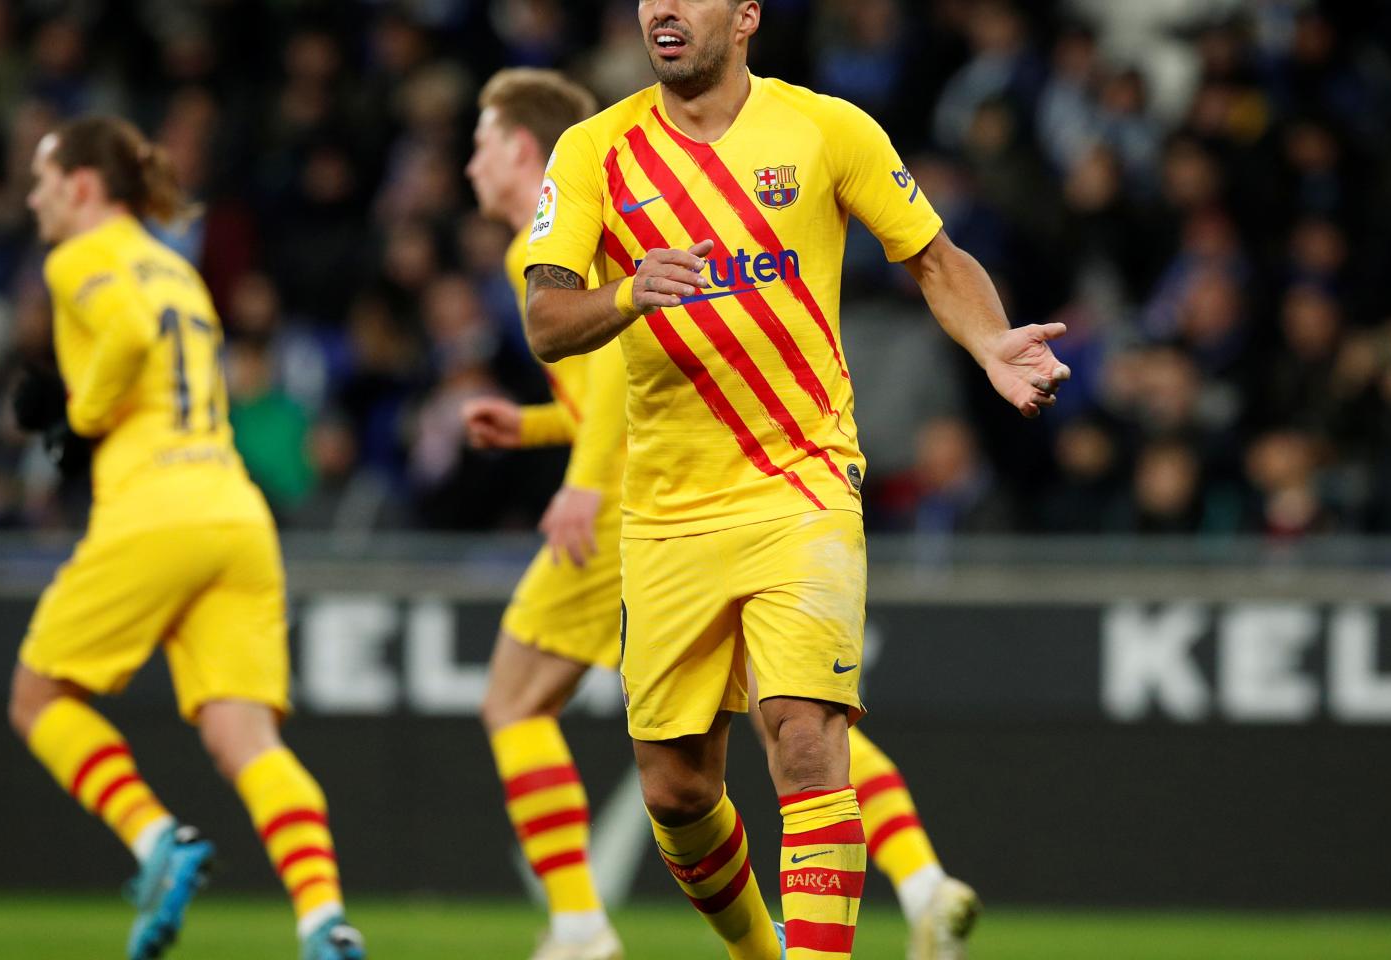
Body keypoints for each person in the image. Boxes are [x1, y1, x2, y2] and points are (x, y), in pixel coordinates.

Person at [522, 2, 1070, 958]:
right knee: (676, 790)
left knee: (805, 741)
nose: (661, 8)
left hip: (802, 484)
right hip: (666, 513)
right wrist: (624, 292)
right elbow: (544, 320)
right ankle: (757, 950)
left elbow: (932, 257)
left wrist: (991, 342)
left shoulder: (827, 128)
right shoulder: (591, 152)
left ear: (744, 17)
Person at [6, 116, 365, 960]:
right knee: (248, 738)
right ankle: (323, 920)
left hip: (154, 508)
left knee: (38, 697)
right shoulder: (177, 265)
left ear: (85, 188)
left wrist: (79, 416)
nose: (33, 198)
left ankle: (153, 838)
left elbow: (128, 338)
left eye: (44, 181)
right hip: (234, 512)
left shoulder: (77, 257)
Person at [459, 68, 626, 960]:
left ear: (523, 150)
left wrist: (582, 486)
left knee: (513, 704)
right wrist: (524, 426)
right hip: (684, 495)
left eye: (482, 143)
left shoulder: (544, 251)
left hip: (626, 509)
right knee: (785, 716)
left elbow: (617, 407)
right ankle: (920, 883)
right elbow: (605, 395)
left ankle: (578, 925)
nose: (469, 165)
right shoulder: (597, 226)